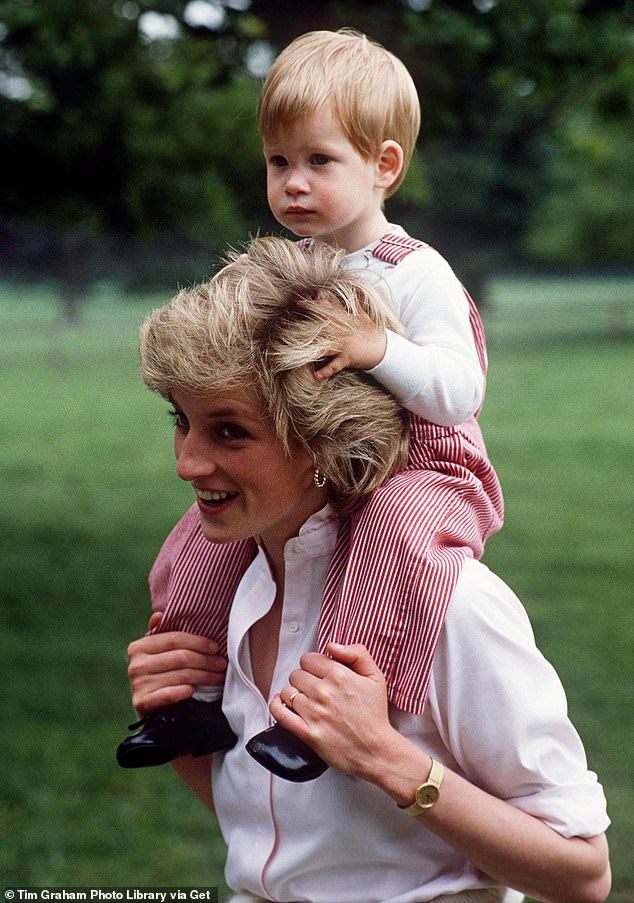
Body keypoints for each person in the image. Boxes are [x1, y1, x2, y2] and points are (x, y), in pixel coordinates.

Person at [124, 236, 610, 903]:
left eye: (229, 431)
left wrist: (387, 757)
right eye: (183, 420)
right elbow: (286, 843)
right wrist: (178, 724)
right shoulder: (231, 584)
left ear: (324, 436)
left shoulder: (449, 604)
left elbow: (583, 873)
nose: (187, 461)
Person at [116, 28, 505, 775]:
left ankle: (320, 712)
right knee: (195, 542)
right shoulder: (291, 261)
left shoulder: (412, 269)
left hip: (425, 469)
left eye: (318, 161)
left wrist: (376, 349)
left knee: (391, 532)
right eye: (278, 162)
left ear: (383, 165)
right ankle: (186, 698)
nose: (293, 183)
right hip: (315, 458)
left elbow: (460, 392)